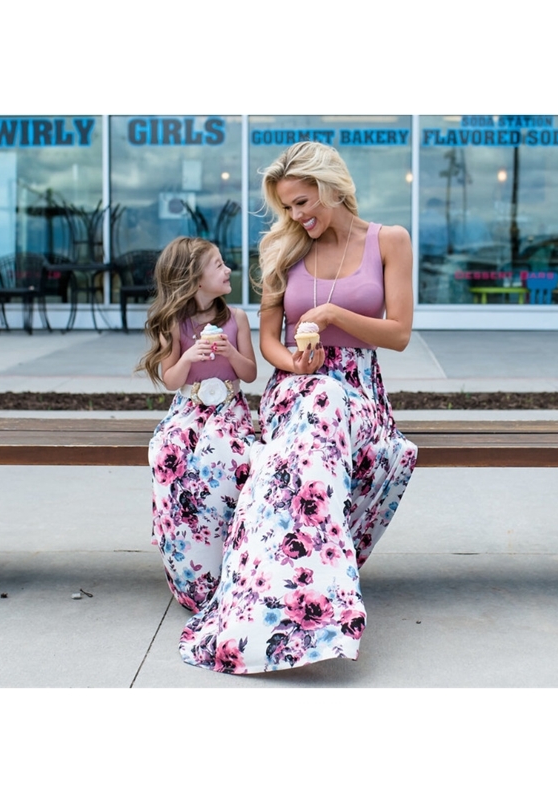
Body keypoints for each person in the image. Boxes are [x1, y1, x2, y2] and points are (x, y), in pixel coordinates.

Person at [177, 141, 418, 674]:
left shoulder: (389, 241)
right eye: (287, 206)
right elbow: (267, 341)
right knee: (316, 402)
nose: (295, 215)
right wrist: (295, 361)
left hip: (358, 389)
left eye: (303, 201)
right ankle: (295, 596)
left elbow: (399, 334)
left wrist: (334, 314)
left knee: (325, 406)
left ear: (332, 188)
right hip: (294, 386)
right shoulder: (280, 248)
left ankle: (282, 587)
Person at [137, 237, 257, 612]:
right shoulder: (176, 323)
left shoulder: (236, 319)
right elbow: (172, 380)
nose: (228, 270)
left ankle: (225, 554)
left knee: (228, 458)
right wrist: (189, 354)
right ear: (193, 277)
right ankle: (180, 544)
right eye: (218, 264)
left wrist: (230, 352)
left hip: (230, 410)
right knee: (168, 451)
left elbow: (250, 374)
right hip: (189, 408)